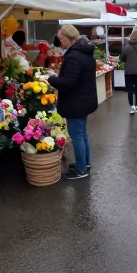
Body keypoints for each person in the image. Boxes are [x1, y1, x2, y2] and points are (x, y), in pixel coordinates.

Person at [48, 24, 98, 179]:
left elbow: (69, 82)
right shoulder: (84, 51)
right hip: (84, 100)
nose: (60, 41)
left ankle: (81, 170)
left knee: (77, 136)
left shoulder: (74, 55)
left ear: (68, 38)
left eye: (61, 38)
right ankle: (85, 163)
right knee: (82, 134)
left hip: (76, 102)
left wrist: (52, 78)